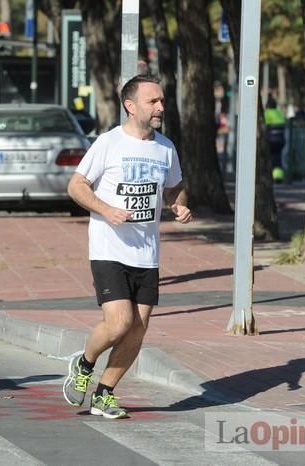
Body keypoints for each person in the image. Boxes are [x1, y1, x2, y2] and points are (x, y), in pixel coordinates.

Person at [63, 75, 192, 419]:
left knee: (138, 328)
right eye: (153, 102)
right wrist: (106, 210)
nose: (160, 108)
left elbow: (175, 187)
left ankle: (105, 393)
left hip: (147, 253)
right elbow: (76, 186)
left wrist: (179, 204)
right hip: (109, 248)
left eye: (162, 101)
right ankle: (84, 364)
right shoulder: (109, 143)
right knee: (119, 322)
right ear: (130, 106)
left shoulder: (165, 147)